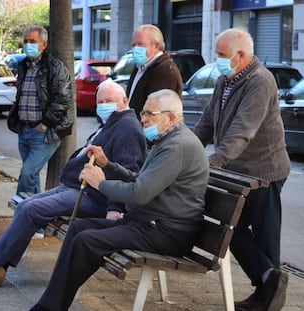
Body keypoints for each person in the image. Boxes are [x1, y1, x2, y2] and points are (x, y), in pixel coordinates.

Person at [0, 79, 148, 287]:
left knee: (31, 209)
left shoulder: (127, 127)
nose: (103, 105)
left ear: (124, 100)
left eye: (109, 100)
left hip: (94, 196)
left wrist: (114, 210)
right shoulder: (114, 123)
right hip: (77, 188)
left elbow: (127, 174)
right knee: (26, 205)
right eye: (101, 101)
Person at [29, 89, 209, 311]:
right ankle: (51, 302)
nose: (143, 119)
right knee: (78, 229)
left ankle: (49, 307)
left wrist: (100, 184)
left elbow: (139, 193)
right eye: (143, 113)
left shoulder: (177, 146)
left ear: (171, 116)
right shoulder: (167, 140)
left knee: (87, 241)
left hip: (166, 231)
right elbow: (140, 180)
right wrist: (107, 165)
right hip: (150, 222)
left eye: (149, 114)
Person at [193, 28, 291, 311]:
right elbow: (206, 123)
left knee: (262, 234)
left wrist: (211, 162)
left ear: (240, 55)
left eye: (221, 55)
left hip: (264, 170)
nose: (217, 60)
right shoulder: (226, 79)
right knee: (229, 228)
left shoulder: (261, 81)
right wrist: (183, 149)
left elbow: (242, 132)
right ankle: (268, 284)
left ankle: (267, 296)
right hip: (238, 171)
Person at [7, 24, 74, 196]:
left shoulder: (54, 67)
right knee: (32, 177)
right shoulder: (23, 66)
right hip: (25, 130)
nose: (28, 45)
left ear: (43, 44)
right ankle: (37, 219)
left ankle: (21, 213)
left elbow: (63, 99)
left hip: (44, 132)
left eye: (32, 41)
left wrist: (45, 124)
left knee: (28, 173)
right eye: (25, 41)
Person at [126, 24, 183, 117]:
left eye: (140, 44)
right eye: (133, 45)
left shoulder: (165, 71)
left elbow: (156, 110)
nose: (135, 49)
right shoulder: (139, 67)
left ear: (156, 45)